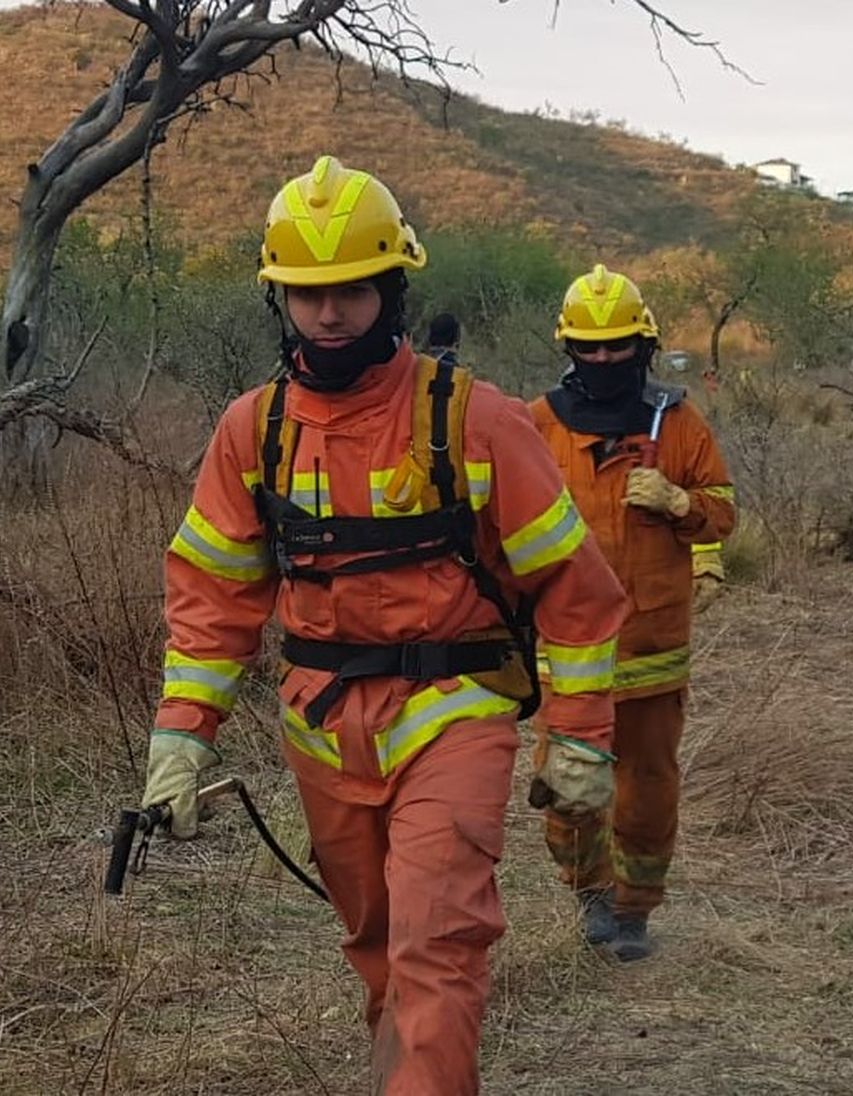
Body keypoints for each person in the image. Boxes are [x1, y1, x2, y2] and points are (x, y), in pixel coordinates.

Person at [139, 156, 626, 1094]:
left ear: (392, 286)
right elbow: (213, 599)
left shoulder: (476, 419)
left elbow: (575, 590)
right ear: (279, 300)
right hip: (321, 729)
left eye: (353, 290)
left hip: (455, 711)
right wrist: (181, 737)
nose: (331, 315)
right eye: (310, 295)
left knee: (437, 940)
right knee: (377, 944)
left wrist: (579, 737)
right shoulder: (254, 430)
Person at [528, 263, 736, 962]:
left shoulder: (677, 423)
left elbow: (725, 513)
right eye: (589, 346)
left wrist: (682, 504)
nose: (603, 358)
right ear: (568, 347)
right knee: (567, 786)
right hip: (567, 654)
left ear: (643, 344)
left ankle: (634, 909)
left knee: (646, 790)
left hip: (653, 647)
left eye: (618, 345)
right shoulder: (538, 425)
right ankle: (588, 893)